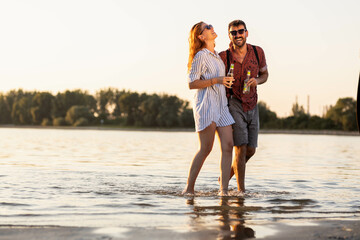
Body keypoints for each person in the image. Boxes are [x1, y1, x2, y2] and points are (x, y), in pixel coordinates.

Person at [183, 22, 235, 196]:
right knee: (206, 148)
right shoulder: (200, 56)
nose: (212, 27)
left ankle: (224, 190)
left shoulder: (217, 56)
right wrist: (217, 80)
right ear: (201, 36)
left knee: (228, 146)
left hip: (222, 106)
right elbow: (192, 83)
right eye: (208, 27)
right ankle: (189, 189)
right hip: (207, 106)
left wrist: (224, 80)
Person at [219, 20, 269, 193]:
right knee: (240, 148)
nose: (237, 35)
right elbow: (216, 81)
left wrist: (258, 81)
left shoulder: (257, 52)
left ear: (246, 33)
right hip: (233, 102)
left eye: (241, 31)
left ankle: (226, 175)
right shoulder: (223, 56)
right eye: (234, 32)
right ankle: (241, 192)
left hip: (253, 103)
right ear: (229, 35)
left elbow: (265, 74)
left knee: (251, 150)